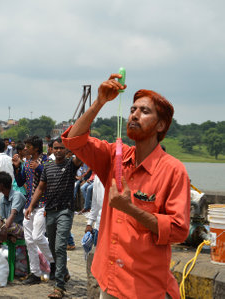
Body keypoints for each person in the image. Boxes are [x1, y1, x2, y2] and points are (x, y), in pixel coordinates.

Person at [62, 73, 190, 299]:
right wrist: (100, 101)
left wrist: (130, 208)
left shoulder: (172, 169)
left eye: (144, 111)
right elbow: (74, 140)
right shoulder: (115, 156)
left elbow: (178, 230)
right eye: (132, 110)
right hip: (108, 280)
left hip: (143, 287)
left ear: (161, 125)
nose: (135, 115)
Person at [24, 138, 81, 298]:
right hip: (49, 211)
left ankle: (59, 286)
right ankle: (65, 272)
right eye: (55, 148)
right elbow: (40, 188)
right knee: (53, 245)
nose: (58, 151)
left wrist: (76, 139)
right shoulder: (47, 167)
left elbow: (81, 157)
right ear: (51, 149)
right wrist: (30, 206)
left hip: (65, 210)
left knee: (60, 246)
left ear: (66, 150)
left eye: (61, 148)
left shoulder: (71, 165)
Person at [13, 135, 54, 285]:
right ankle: (35, 273)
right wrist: (17, 166)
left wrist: (40, 168)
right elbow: (20, 181)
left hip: (43, 203)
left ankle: (54, 262)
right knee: (29, 240)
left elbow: (52, 177)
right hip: (29, 204)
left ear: (36, 148)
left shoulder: (47, 161)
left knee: (37, 237)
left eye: (28, 147)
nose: (25, 149)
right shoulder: (28, 162)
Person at [0, 171, 26, 241]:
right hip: (9, 227)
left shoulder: (17, 195)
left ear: (1, 185)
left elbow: (13, 215)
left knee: (8, 227)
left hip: (22, 228)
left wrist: (4, 228)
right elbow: (1, 218)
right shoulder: (3, 199)